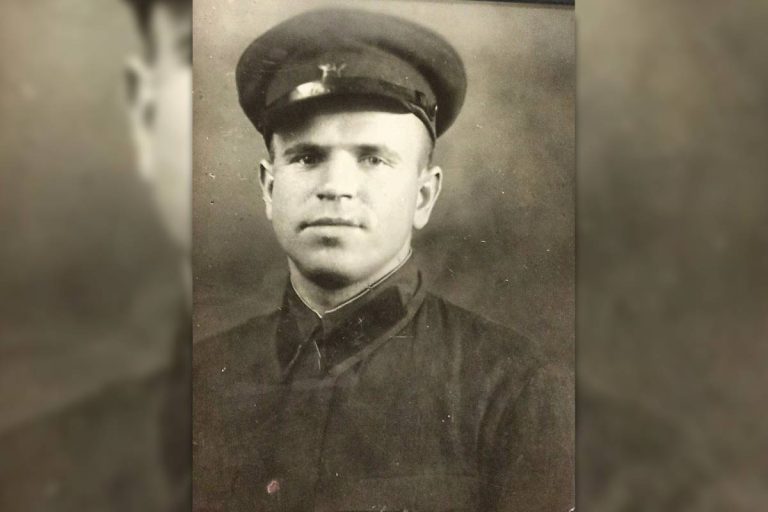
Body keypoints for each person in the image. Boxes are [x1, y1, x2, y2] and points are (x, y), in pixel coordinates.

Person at [194, 8, 573, 512]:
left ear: (423, 196)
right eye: (307, 157)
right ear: (269, 187)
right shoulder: (199, 378)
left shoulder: (515, 390)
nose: (336, 187)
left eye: (373, 159)